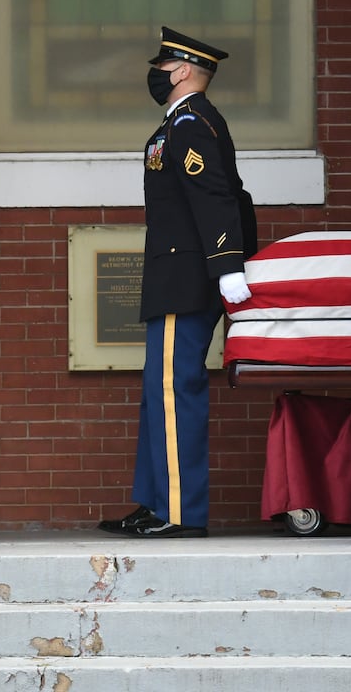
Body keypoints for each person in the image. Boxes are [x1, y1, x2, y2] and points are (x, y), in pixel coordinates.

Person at [99, 27, 258, 539]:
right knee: (158, 390)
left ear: (183, 70)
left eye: (163, 67)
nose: (157, 74)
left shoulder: (191, 124)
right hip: (175, 274)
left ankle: (179, 510)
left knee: (174, 390)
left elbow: (216, 196)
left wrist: (228, 263)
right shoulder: (180, 124)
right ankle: (154, 500)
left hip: (188, 275)